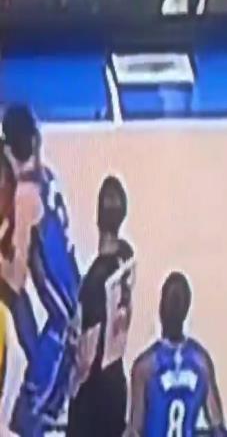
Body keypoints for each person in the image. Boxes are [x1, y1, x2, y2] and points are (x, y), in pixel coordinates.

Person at [0, 104, 81, 436]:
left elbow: (16, 280)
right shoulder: (46, 176)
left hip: (63, 326)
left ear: (8, 149)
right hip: (71, 307)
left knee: (25, 422)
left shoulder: (25, 196)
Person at [67, 176, 136, 437]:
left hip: (94, 393)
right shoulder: (126, 259)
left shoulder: (95, 280)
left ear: (97, 217)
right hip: (116, 381)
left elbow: (88, 350)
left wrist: (74, 388)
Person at [125, 271, 225, 437]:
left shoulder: (145, 366)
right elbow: (218, 427)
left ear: (161, 310)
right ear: (187, 311)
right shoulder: (201, 361)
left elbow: (135, 430)